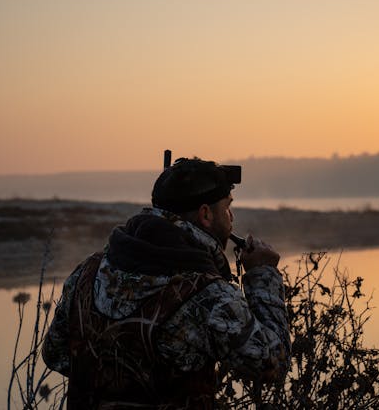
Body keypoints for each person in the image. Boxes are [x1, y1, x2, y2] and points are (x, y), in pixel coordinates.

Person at [42, 157, 290, 409]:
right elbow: (272, 365)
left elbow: (56, 354)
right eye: (227, 207)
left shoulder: (89, 271)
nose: (231, 217)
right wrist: (263, 275)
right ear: (205, 214)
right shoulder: (209, 297)